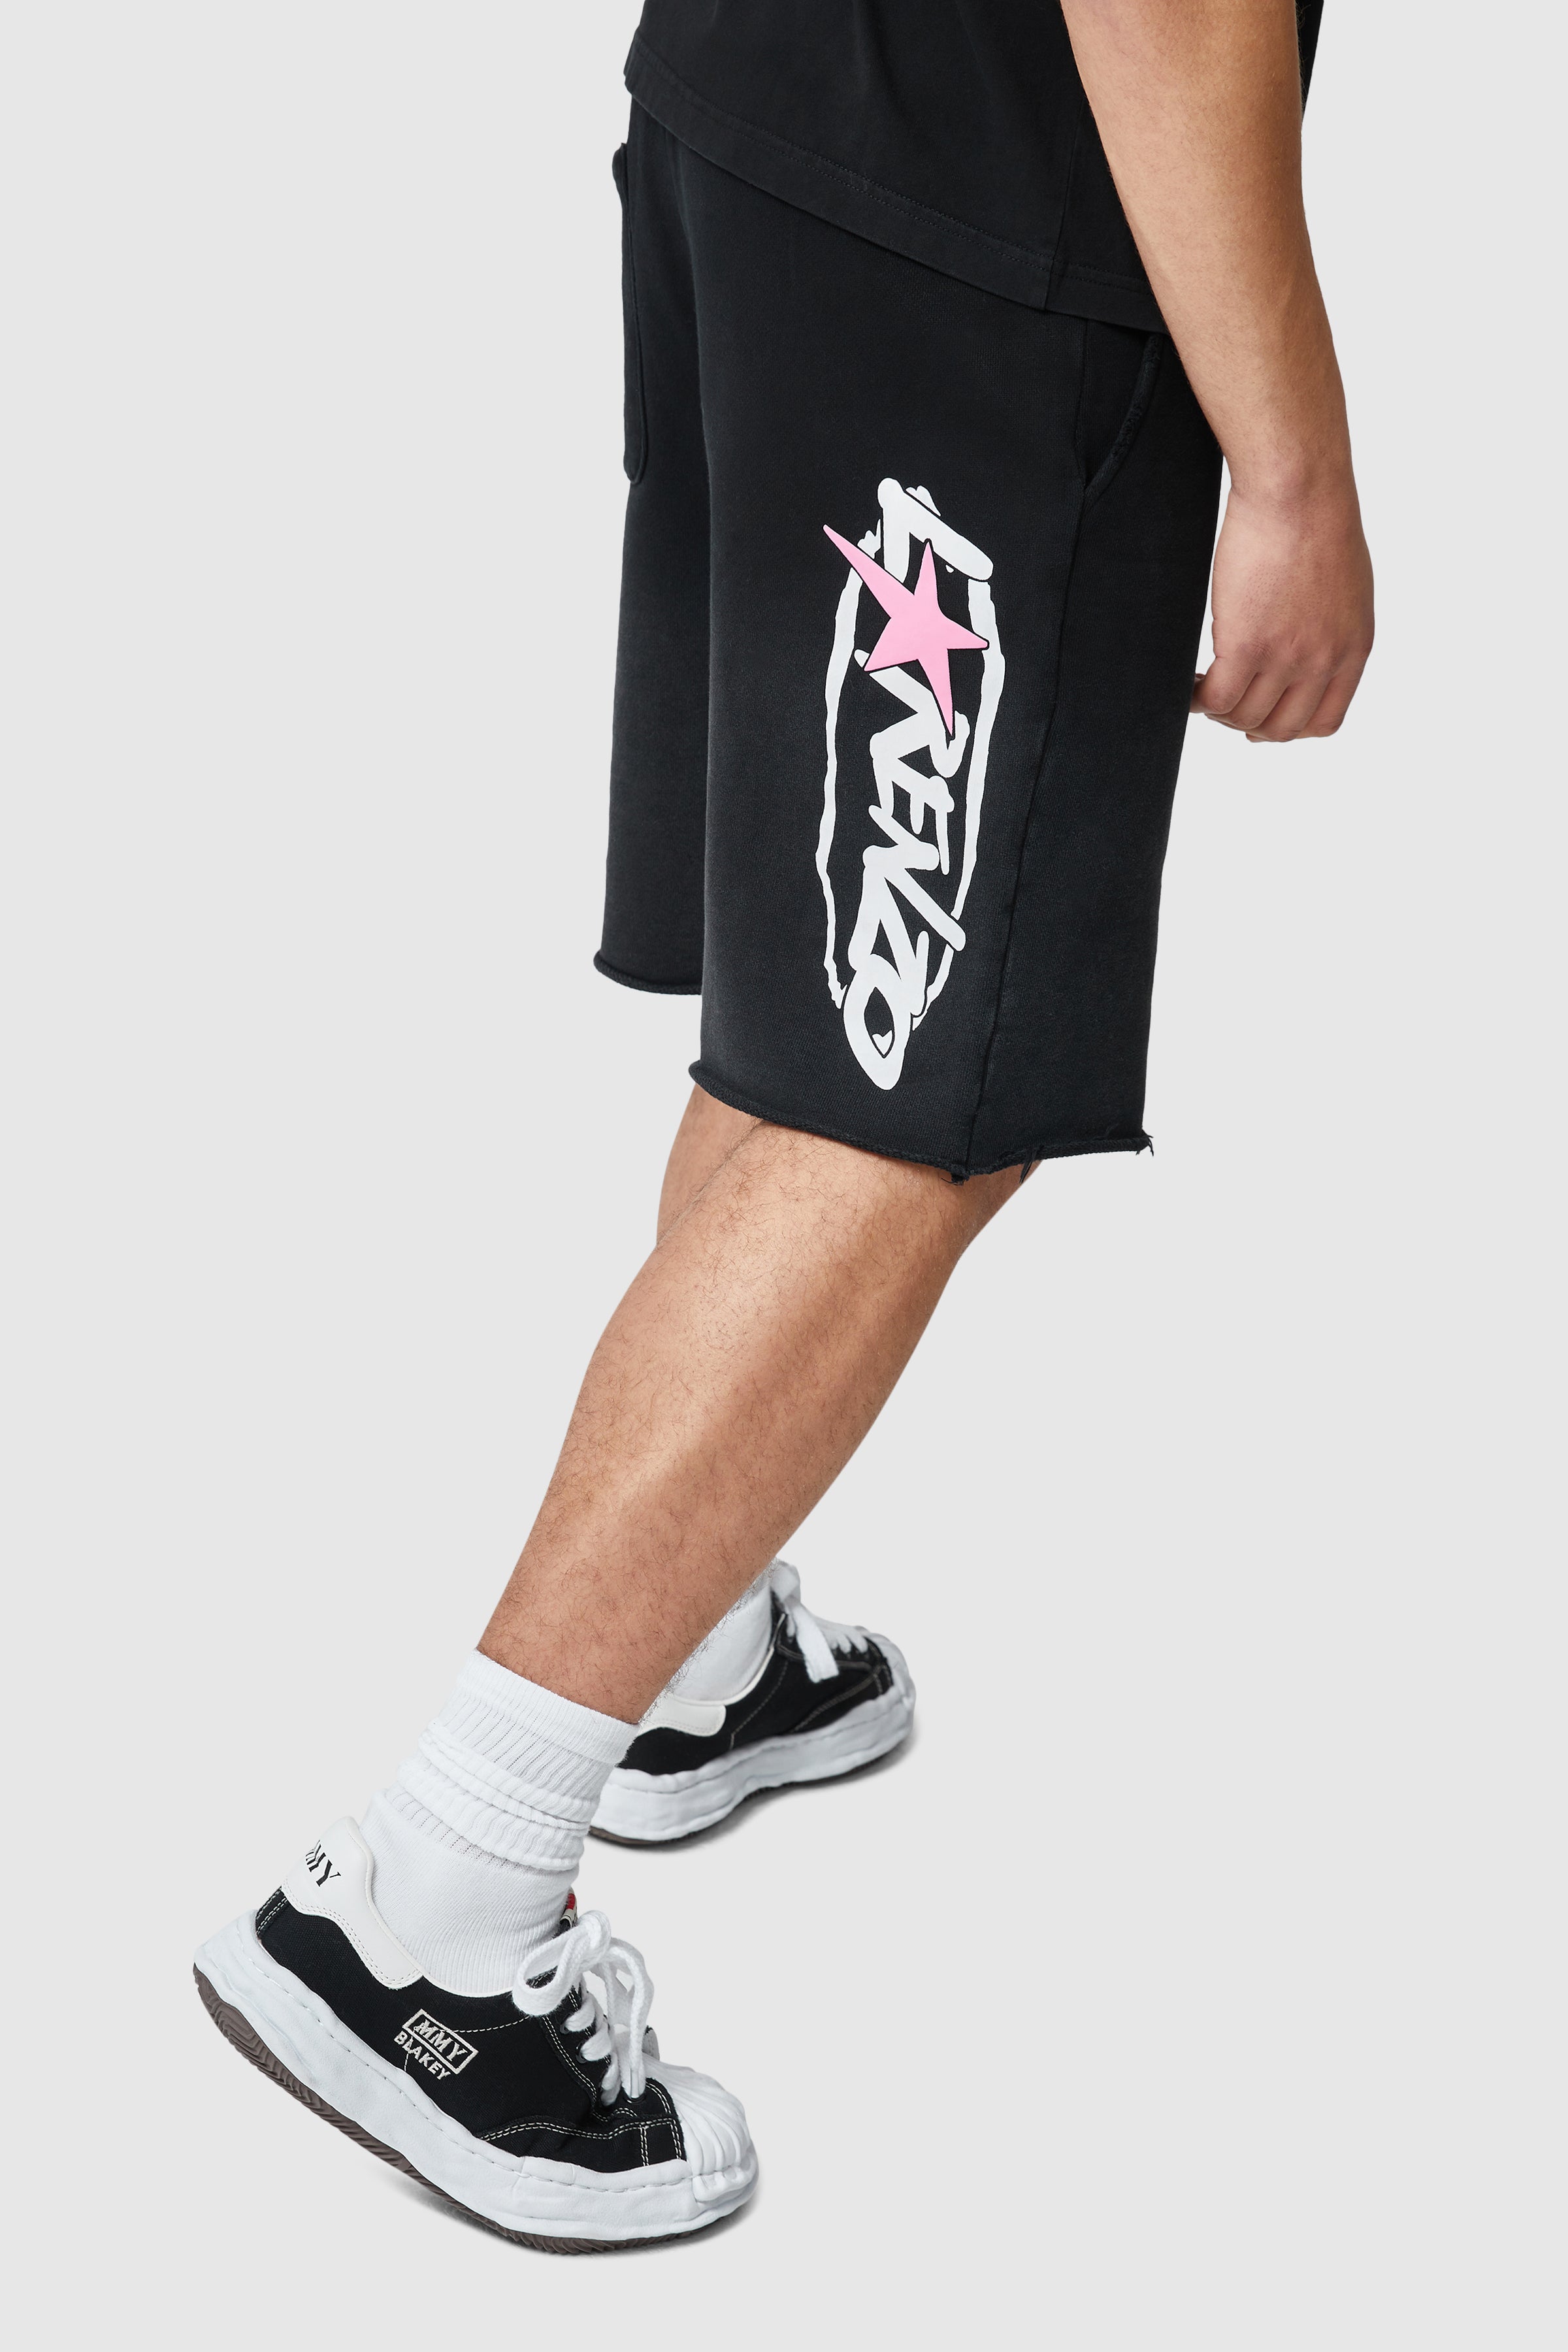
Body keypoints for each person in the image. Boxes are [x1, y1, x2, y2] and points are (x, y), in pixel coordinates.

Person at [195, 0, 1373, 2251]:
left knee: (841, 1010)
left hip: (772, 123)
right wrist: (1294, 465)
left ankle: (696, 1645)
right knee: (919, 1089)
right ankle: (428, 1909)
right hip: (988, 242)